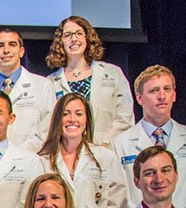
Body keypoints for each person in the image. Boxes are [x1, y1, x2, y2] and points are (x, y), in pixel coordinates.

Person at [111, 65, 186, 208]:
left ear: (174, 95)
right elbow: (116, 194)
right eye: (154, 90)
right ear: (139, 98)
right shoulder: (120, 144)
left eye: (167, 89)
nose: (162, 96)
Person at [39, 93, 127, 208]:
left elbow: (118, 204)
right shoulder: (42, 160)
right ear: (57, 120)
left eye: (79, 114)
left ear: (87, 120)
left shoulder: (105, 158)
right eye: (66, 114)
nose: (72, 119)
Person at [46, 16, 134, 146]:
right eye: (68, 35)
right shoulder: (50, 83)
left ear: (88, 38)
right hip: (66, 153)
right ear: (61, 41)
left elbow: (125, 117)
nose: (74, 39)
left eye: (79, 33)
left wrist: (105, 144)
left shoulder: (113, 73)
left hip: (107, 151)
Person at [0, 28, 55, 154]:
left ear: (21, 51)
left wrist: (14, 156)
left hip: (30, 163)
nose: (6, 50)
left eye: (12, 45)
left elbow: (46, 134)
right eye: (0, 46)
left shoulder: (43, 86)